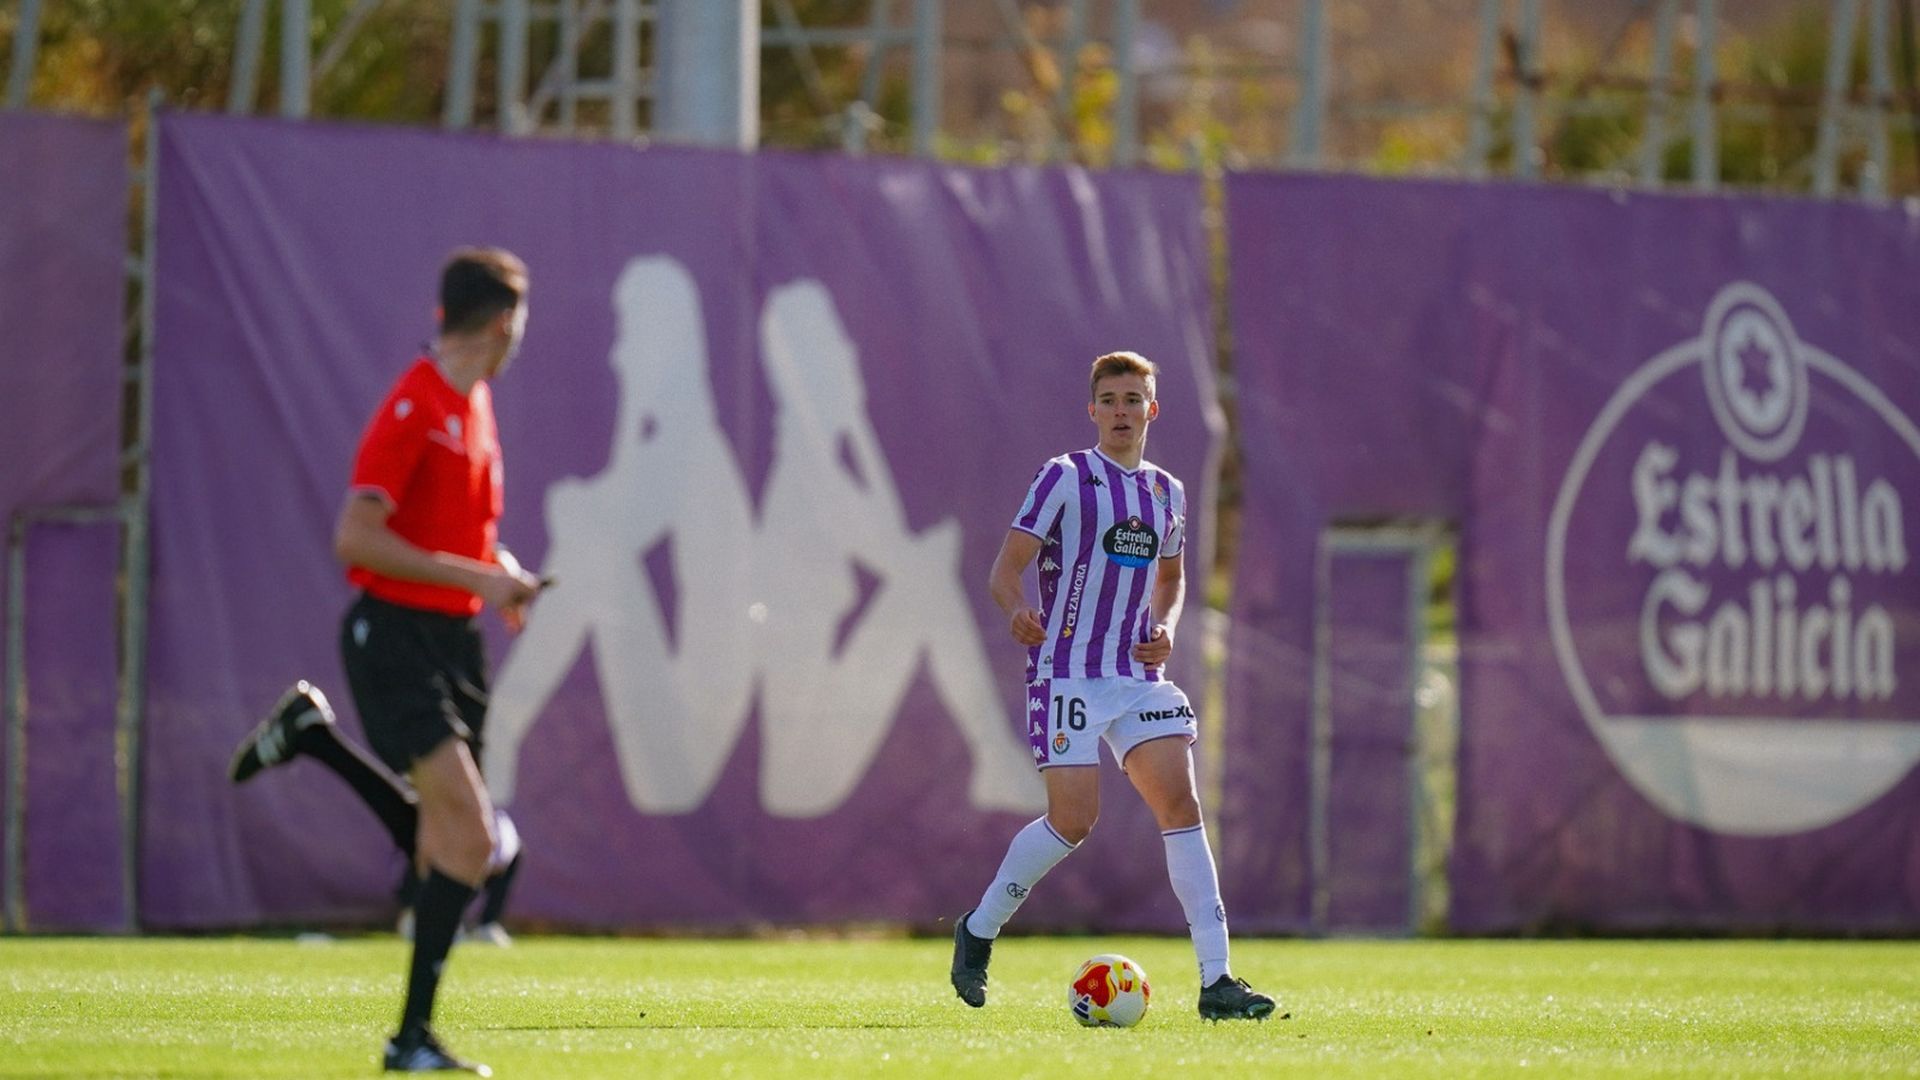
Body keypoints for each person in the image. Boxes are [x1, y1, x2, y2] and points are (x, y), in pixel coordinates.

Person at [229, 247, 541, 1074]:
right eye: (521, 321)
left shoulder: (474, 407)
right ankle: (409, 1040)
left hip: (453, 639)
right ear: (505, 321)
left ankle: (313, 738)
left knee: (453, 845)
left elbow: (456, 540)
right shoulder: (416, 404)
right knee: (473, 838)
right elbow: (356, 538)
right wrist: (478, 576)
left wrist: (499, 577)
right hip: (394, 633)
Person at [949, 350, 1280, 1022]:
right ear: (1092, 408)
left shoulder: (1167, 492)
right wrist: (1017, 610)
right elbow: (1003, 570)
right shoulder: (1065, 477)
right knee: (1075, 821)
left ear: (1153, 409)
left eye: (1135, 400)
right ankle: (979, 928)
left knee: (1181, 806)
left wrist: (1168, 625)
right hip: (1066, 671)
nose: (1123, 412)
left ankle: (1218, 981)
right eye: (1111, 400)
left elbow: (1172, 578)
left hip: (1135, 677)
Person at [231, 680, 525, 949]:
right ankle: (316, 738)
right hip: (416, 632)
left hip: (454, 630)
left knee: (451, 835)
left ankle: (316, 737)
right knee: (453, 833)